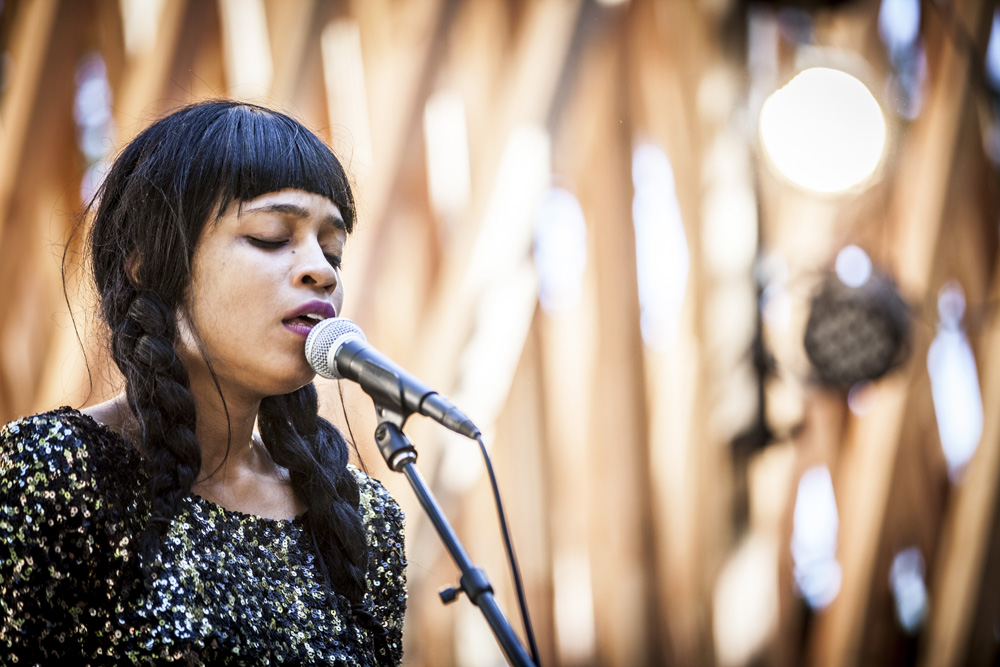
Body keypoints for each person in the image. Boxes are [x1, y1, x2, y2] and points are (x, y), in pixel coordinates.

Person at [0, 100, 406, 665]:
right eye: (270, 235)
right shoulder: (54, 471)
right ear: (148, 264)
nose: (322, 270)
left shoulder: (364, 517)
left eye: (332, 250)